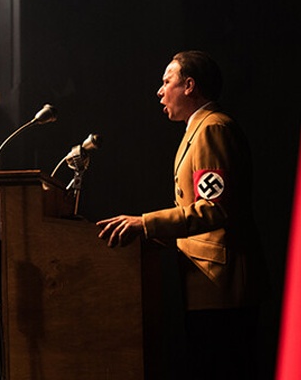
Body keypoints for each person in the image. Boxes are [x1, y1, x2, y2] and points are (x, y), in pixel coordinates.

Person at [97, 50, 269, 379]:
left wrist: (144, 223)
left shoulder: (212, 129)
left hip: (223, 290)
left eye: (167, 81)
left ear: (189, 85)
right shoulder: (198, 129)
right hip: (209, 287)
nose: (159, 91)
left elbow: (213, 208)